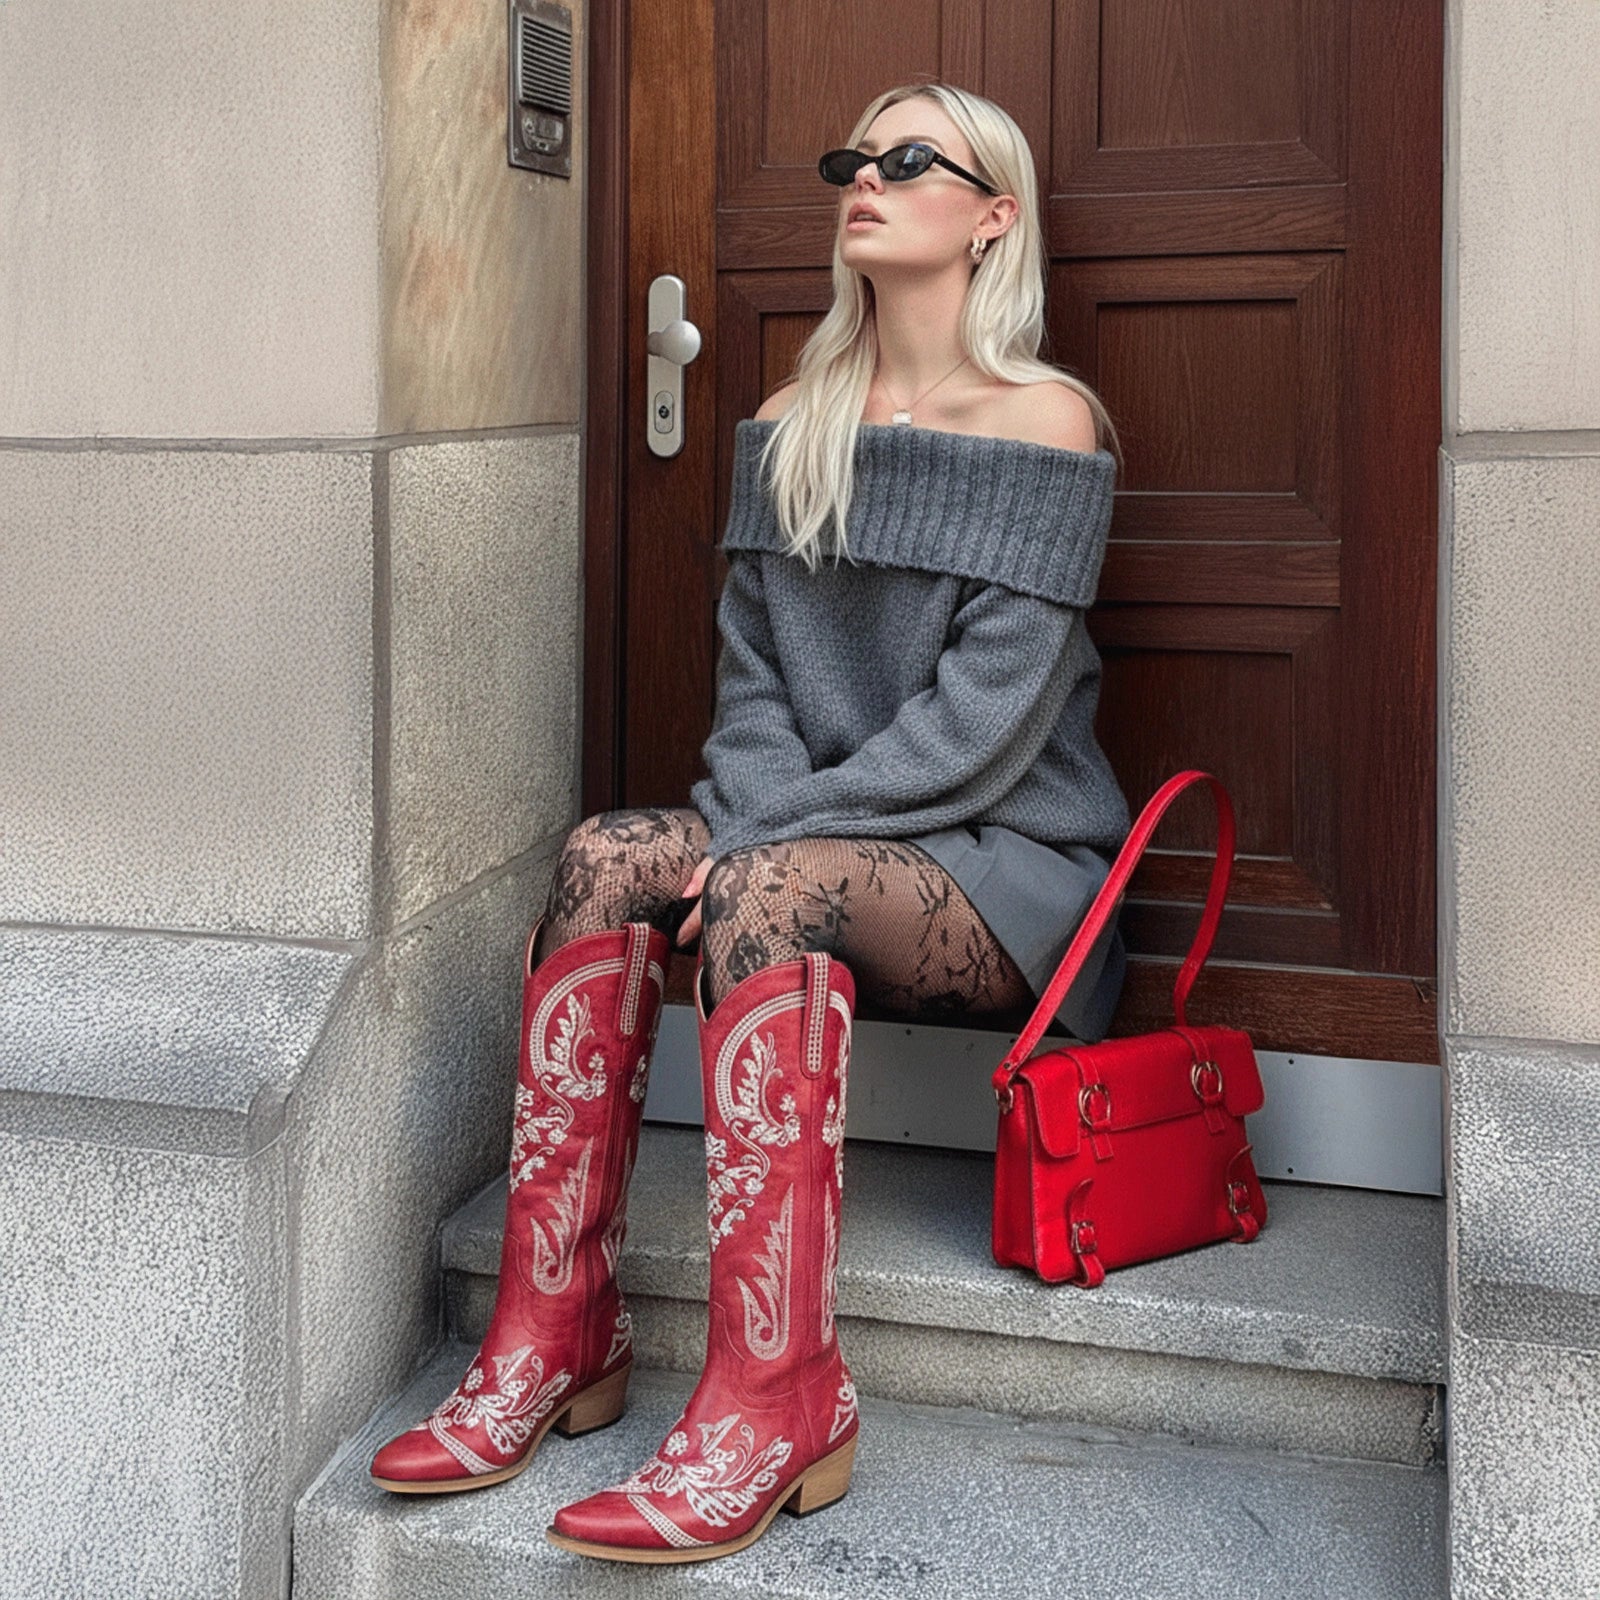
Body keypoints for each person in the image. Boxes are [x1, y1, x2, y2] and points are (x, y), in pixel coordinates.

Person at [366, 79, 1132, 1564]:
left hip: (1011, 862)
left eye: (914, 161)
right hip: (809, 842)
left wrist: (760, 851)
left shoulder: (1051, 423)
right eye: (855, 157)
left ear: (994, 217)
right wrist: (746, 836)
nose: (867, 178)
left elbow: (982, 729)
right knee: (603, 855)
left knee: (768, 885)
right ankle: (554, 1333)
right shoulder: (792, 420)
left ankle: (778, 1395)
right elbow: (755, 699)